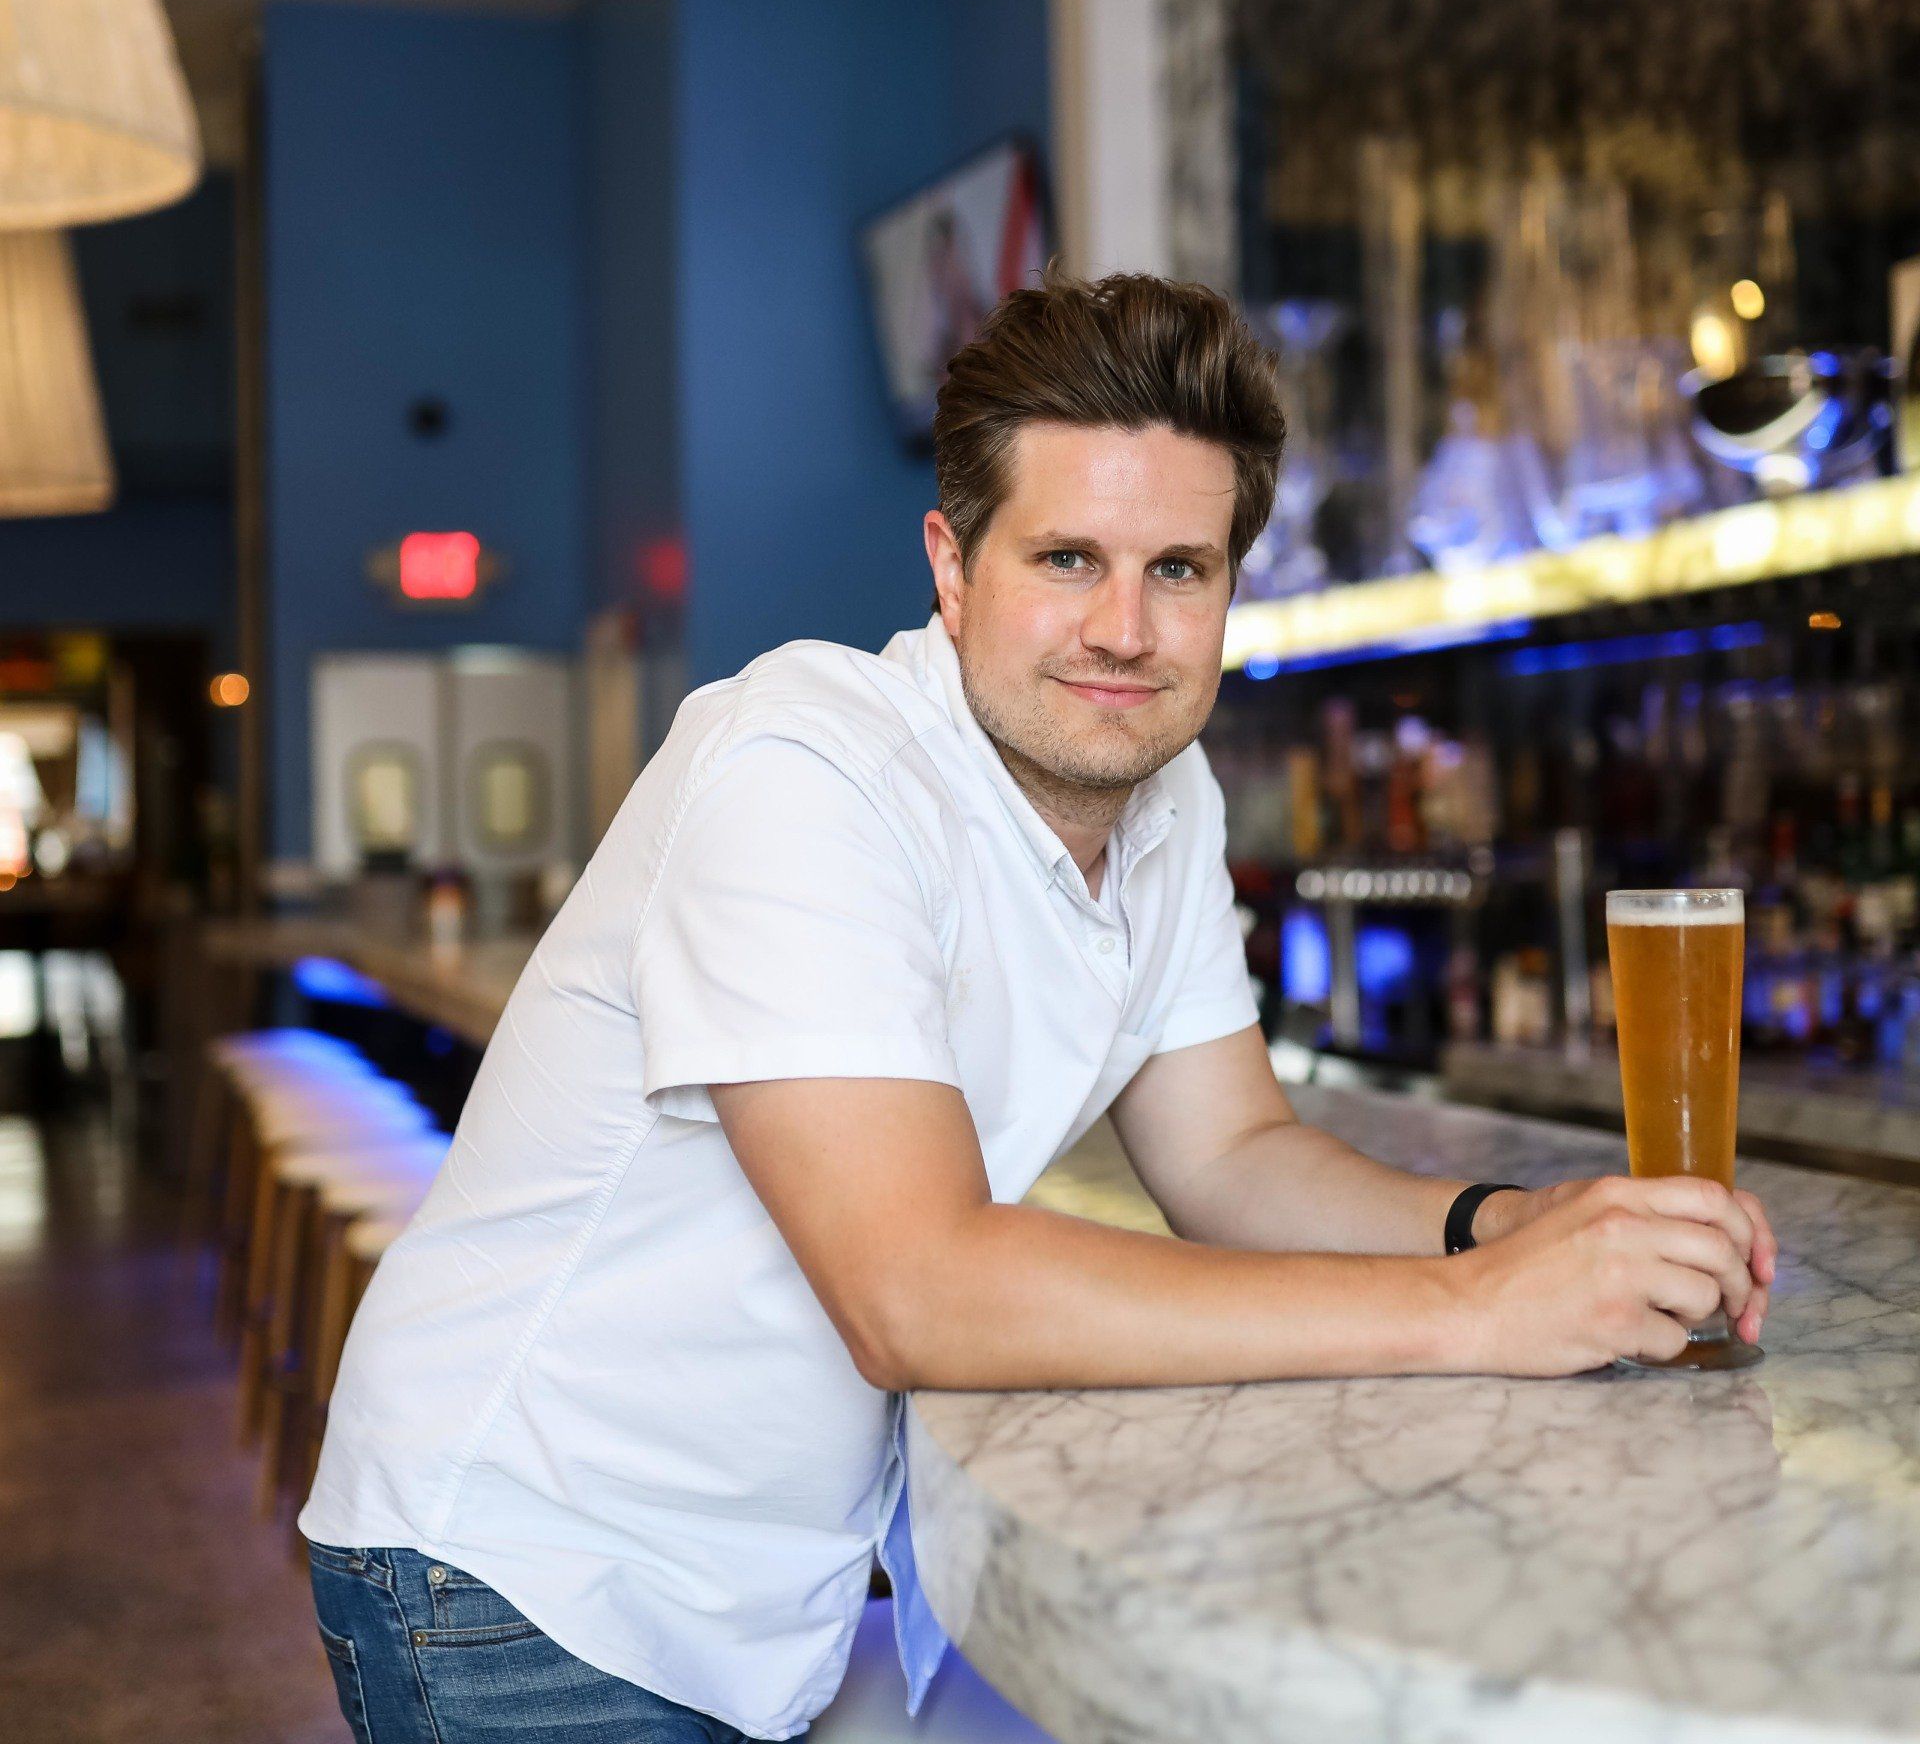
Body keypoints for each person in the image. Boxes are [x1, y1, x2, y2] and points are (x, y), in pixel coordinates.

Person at [299, 269, 1777, 1744]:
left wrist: (1503, 1226)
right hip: (520, 1571)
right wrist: (1472, 1312)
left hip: (765, 1592)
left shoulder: (1163, 795)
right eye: (1068, 559)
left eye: (1179, 569)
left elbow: (1233, 1159)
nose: (1124, 630)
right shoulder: (803, 770)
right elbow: (918, 1289)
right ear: (952, 568)